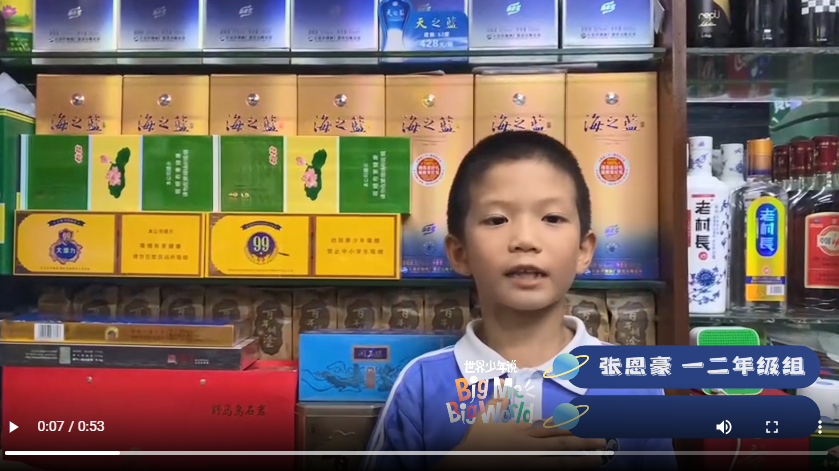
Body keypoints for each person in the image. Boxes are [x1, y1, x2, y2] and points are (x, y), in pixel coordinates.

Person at [362, 131, 677, 471]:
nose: (525, 240)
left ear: (583, 250)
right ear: (459, 252)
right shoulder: (422, 385)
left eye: (552, 218)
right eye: (497, 219)